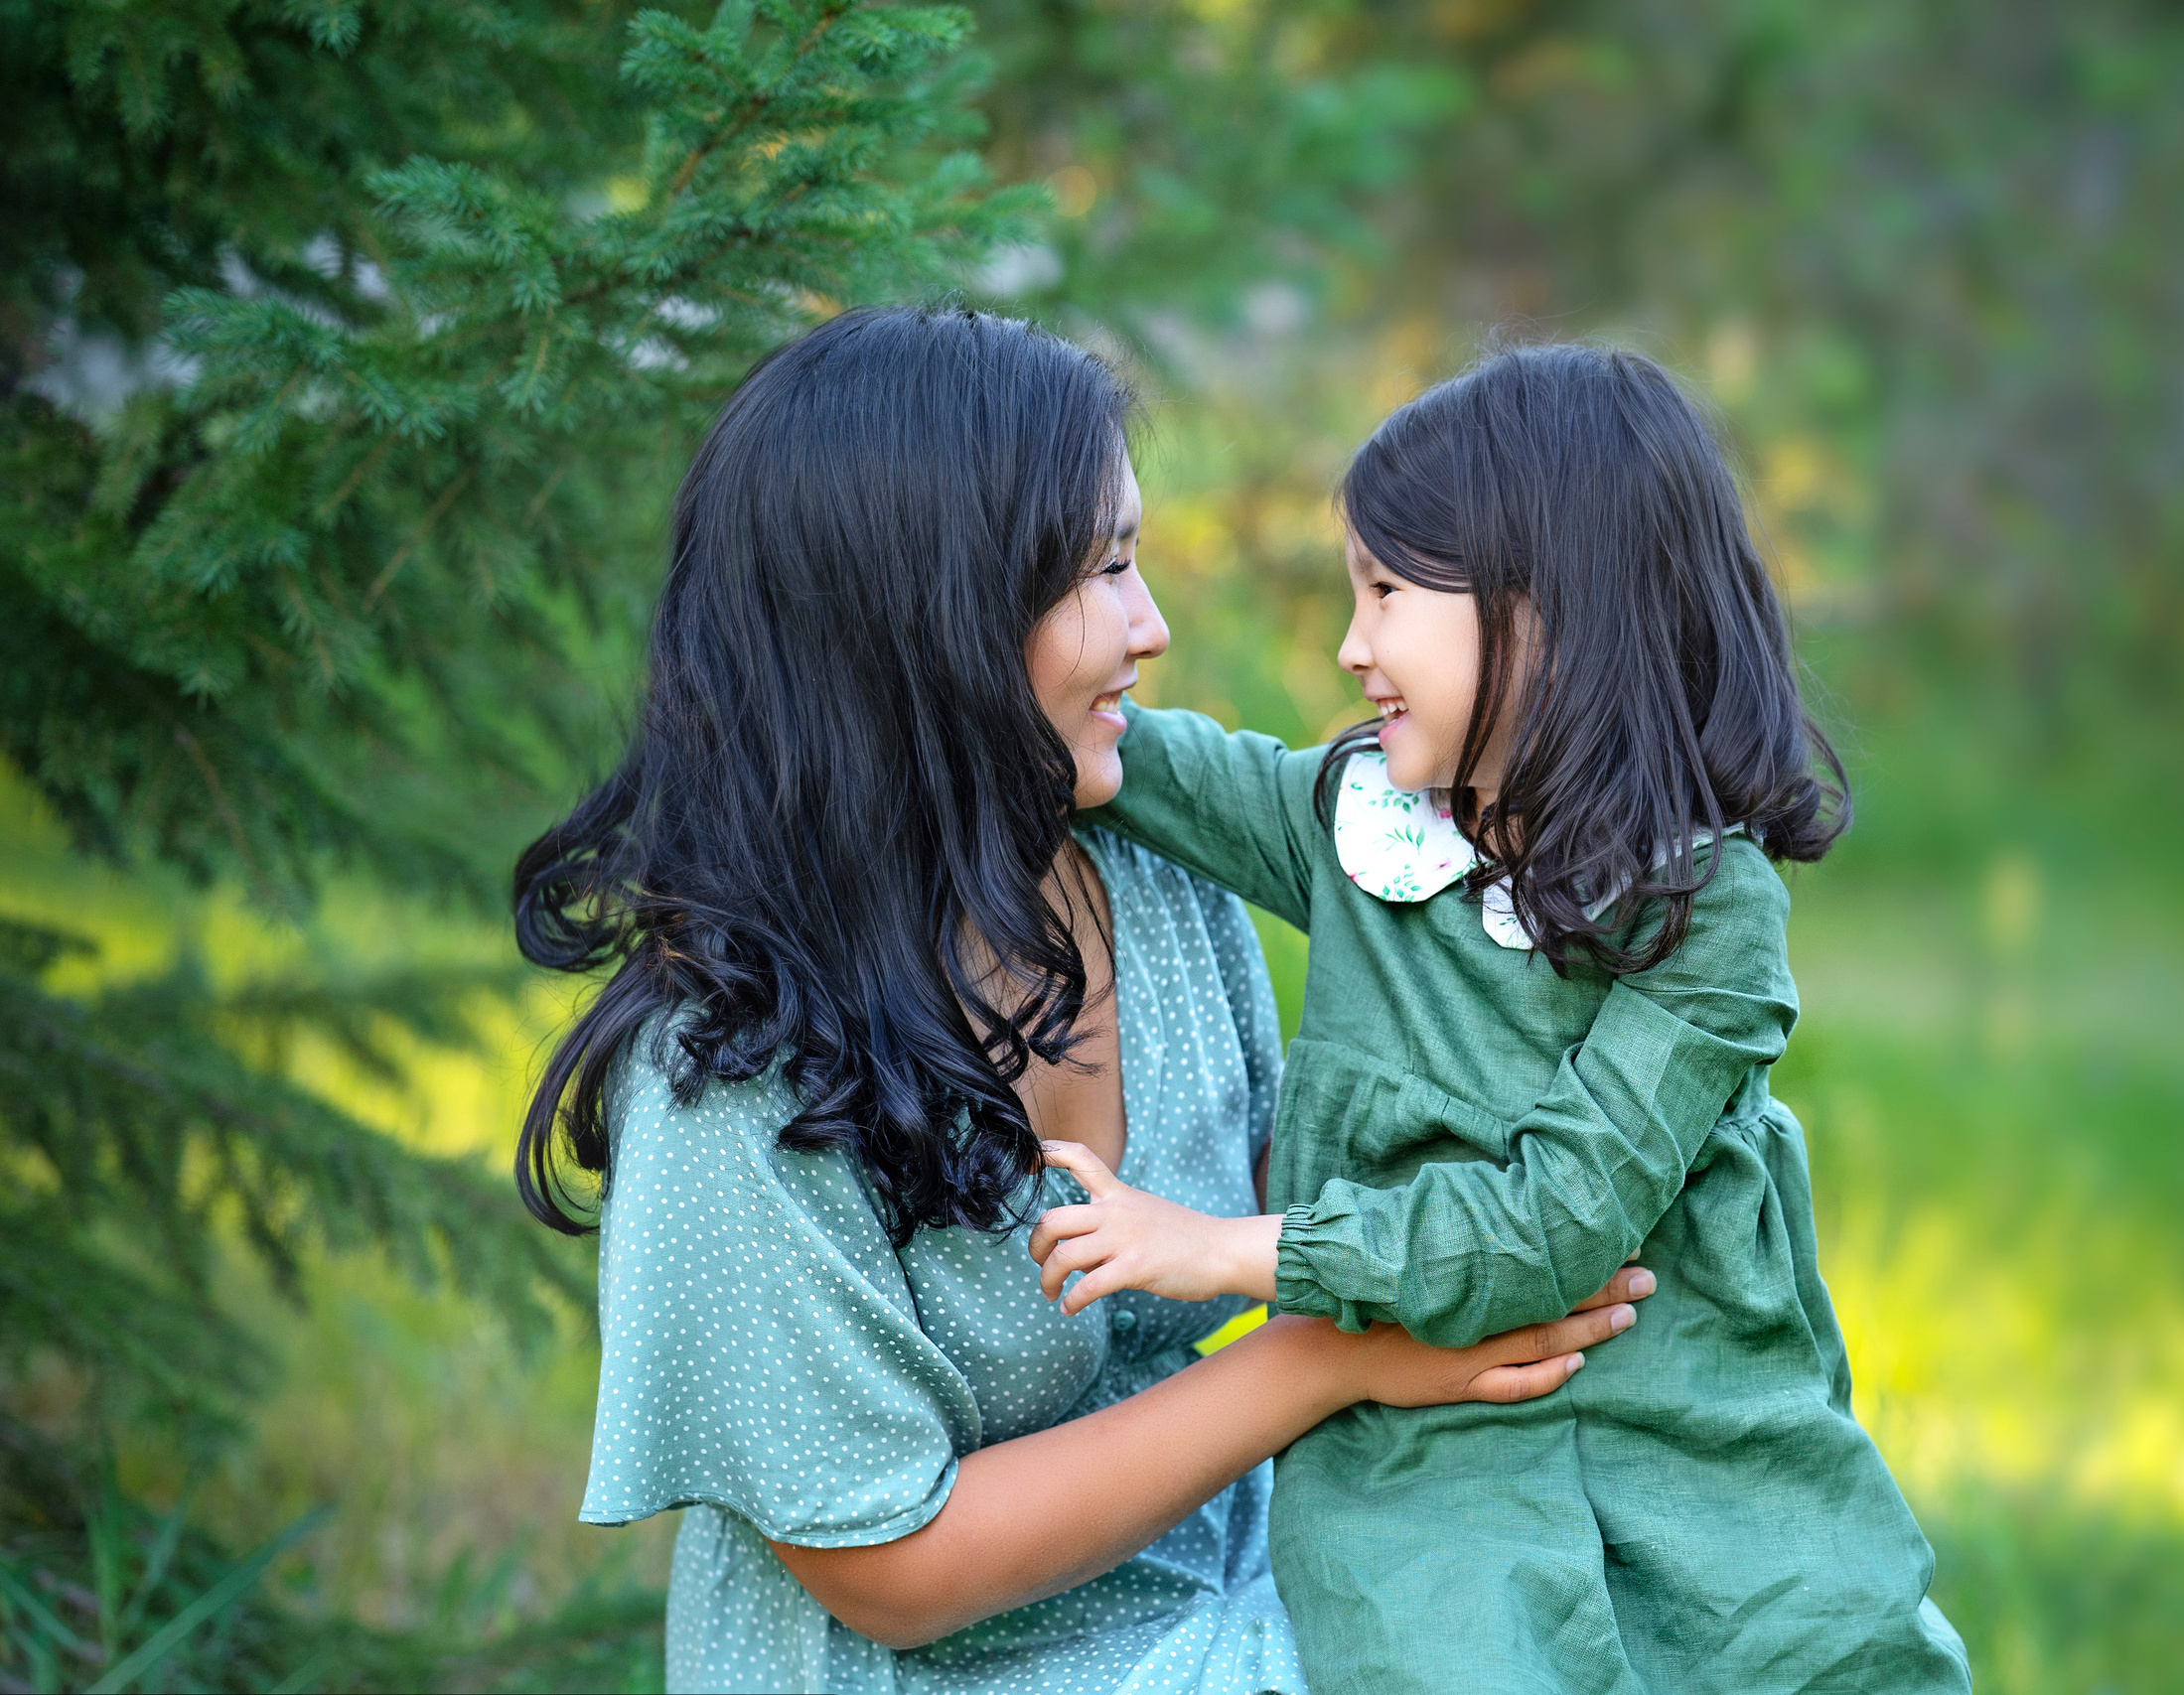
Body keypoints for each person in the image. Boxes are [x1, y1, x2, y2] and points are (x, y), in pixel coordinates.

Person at [508, 308, 1653, 1694]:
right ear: (928, 613)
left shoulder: (1149, 889)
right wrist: (1319, 1362)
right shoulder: (731, 1069)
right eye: (1102, 570)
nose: (1152, 626)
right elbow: (891, 1573)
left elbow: (1333, 1174)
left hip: (1242, 1584)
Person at [1033, 343, 1973, 1693]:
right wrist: (986, 663)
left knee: (1821, 1654)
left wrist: (1226, 1253)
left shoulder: (1708, 913)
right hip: (1430, 1468)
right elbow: (1147, 766)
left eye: (1388, 594)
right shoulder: (1362, 823)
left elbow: (1552, 1227)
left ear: (1544, 613)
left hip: (1694, 1438)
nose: (1353, 647)